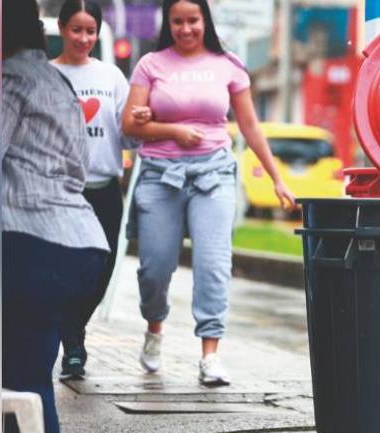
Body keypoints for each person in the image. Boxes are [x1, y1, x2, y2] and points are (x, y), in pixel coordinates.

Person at [122, 0, 295, 386]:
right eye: (178, 22)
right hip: (159, 177)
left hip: (213, 174)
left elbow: (250, 126)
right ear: (169, 24)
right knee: (155, 268)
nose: (186, 29)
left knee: (213, 265)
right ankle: (154, 329)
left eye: (193, 21)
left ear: (205, 21)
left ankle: (210, 354)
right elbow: (130, 126)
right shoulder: (150, 64)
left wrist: (277, 178)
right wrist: (171, 130)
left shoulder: (228, 64)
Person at [2, 0, 109, 433]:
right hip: (82, 246)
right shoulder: (60, 82)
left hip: (32, 244)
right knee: (27, 380)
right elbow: (78, 168)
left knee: (17, 378)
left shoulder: (6, 79)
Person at [48, 0, 138, 380]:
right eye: (76, 30)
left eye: (90, 31)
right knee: (63, 269)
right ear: (63, 29)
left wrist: (141, 121)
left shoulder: (112, 78)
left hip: (104, 190)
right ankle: (73, 345)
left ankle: (70, 329)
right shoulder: (44, 76)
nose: (83, 38)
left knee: (101, 269)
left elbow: (129, 135)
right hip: (59, 190)